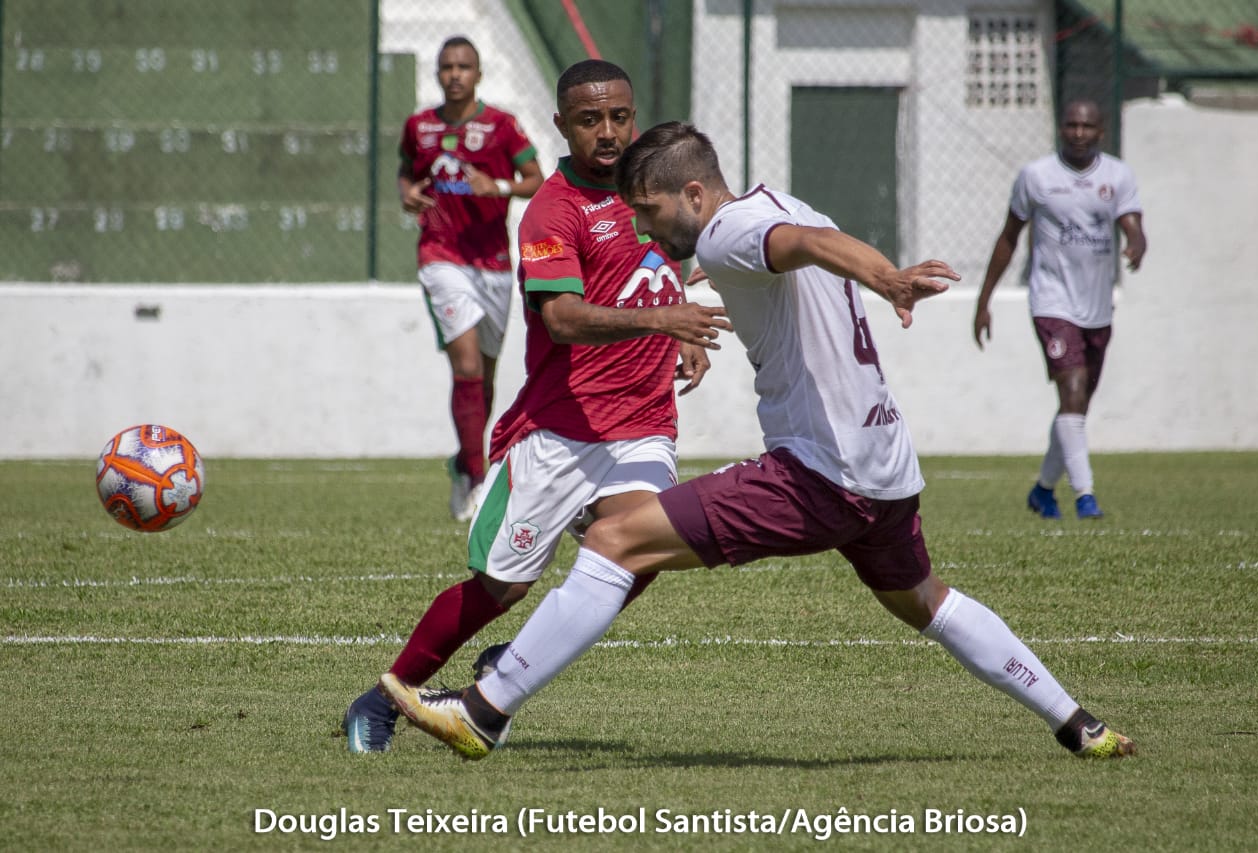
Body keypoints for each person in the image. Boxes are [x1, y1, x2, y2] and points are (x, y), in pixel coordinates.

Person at [378, 122, 1136, 762]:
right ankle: (1079, 724)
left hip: (818, 474)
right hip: (885, 470)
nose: (644, 229)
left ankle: (484, 710)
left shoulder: (729, 230)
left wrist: (887, 279)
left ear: (694, 195)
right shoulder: (777, 203)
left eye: (649, 211)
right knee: (928, 603)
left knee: (614, 539)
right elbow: (799, 242)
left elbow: (802, 244)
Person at [342, 67, 731, 753]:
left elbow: (673, 259)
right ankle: (382, 699)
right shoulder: (554, 210)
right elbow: (562, 319)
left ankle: (512, 663)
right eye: (589, 120)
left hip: (642, 425)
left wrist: (681, 328)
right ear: (561, 125)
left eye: (619, 117)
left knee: (645, 548)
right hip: (557, 432)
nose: (607, 132)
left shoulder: (656, 188)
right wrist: (665, 319)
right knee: (498, 588)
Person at [973, 99, 1146, 521]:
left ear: (1101, 131)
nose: (1078, 133)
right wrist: (984, 301)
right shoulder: (1036, 176)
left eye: (1087, 126)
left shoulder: (1117, 176)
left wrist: (1137, 243)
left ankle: (1043, 490)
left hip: (1097, 306)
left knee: (1078, 404)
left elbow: (1133, 225)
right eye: (1071, 125)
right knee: (1072, 387)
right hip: (1051, 301)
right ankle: (1086, 496)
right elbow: (1009, 237)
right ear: (1060, 128)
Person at [399, 36, 545, 522]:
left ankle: (464, 461)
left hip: (493, 264)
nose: (455, 74)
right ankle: (479, 478)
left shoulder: (501, 126)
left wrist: (497, 185)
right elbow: (406, 172)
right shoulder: (419, 126)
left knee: (483, 379)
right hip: (441, 257)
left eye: (463, 66)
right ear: (438, 74)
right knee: (465, 367)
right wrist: (408, 194)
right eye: (447, 67)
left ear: (478, 74)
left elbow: (537, 180)